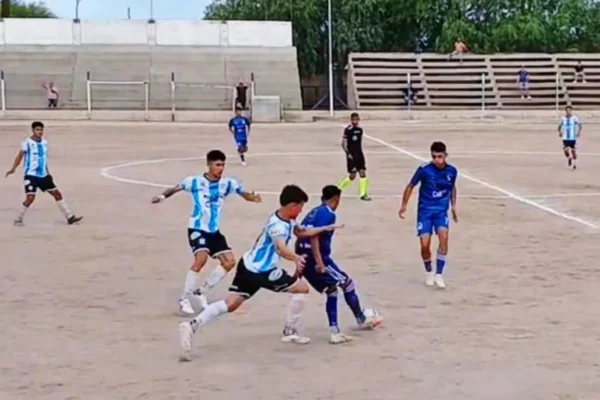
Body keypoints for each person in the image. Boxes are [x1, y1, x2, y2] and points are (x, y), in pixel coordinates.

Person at [178, 184, 343, 361]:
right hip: (263, 271)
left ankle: (192, 325)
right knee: (302, 288)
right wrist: (295, 258)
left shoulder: (286, 218)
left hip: (247, 265)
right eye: (300, 206)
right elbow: (281, 248)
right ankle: (290, 330)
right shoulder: (277, 226)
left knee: (231, 304)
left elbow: (302, 232)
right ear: (292, 206)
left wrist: (325, 228)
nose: (302, 210)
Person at [151, 149, 262, 316]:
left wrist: (251, 197)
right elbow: (175, 188)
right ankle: (184, 299)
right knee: (201, 258)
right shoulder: (194, 181)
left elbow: (242, 193)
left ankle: (201, 292)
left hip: (214, 231)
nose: (221, 168)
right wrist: (161, 197)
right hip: (197, 228)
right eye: (217, 165)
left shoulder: (228, 183)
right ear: (209, 165)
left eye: (223, 164)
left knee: (229, 262)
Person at [296, 185, 383, 344]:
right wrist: (320, 262)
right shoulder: (328, 214)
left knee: (332, 290)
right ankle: (359, 319)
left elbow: (302, 234)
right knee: (347, 284)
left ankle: (336, 330)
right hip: (317, 258)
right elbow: (315, 236)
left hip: (305, 257)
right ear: (336, 199)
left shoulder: (314, 211)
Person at [398, 141, 458, 289]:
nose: (437, 160)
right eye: (434, 156)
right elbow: (411, 185)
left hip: (440, 211)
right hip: (425, 211)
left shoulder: (452, 171)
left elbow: (452, 188)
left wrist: (454, 206)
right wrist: (404, 205)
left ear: (445, 155)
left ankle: (439, 274)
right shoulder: (424, 170)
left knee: (444, 238)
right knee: (425, 244)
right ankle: (428, 271)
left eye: (440, 156)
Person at [5, 121, 82, 226]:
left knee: (57, 194)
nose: (40, 132)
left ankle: (70, 217)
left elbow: (43, 159)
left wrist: (48, 172)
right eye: (37, 130)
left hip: (43, 175)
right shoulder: (27, 142)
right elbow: (20, 156)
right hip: (31, 175)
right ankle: (18, 219)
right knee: (30, 198)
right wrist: (13, 168)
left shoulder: (44, 143)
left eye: (41, 129)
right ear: (33, 130)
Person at [337, 113, 371, 201]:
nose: (355, 121)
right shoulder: (348, 130)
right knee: (352, 176)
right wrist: (348, 153)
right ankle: (339, 188)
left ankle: (363, 194)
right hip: (351, 156)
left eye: (356, 119)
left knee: (362, 173)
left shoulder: (360, 130)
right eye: (353, 120)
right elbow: (343, 143)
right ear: (351, 120)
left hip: (359, 155)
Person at [558, 106, 582, 170]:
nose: (568, 112)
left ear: (571, 111)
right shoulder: (563, 118)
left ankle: (574, 163)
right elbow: (559, 126)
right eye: (567, 110)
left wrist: (578, 132)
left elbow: (580, 125)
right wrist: (560, 132)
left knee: (573, 151)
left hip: (573, 138)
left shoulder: (574, 118)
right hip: (565, 138)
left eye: (569, 110)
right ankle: (569, 158)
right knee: (565, 150)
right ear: (565, 111)